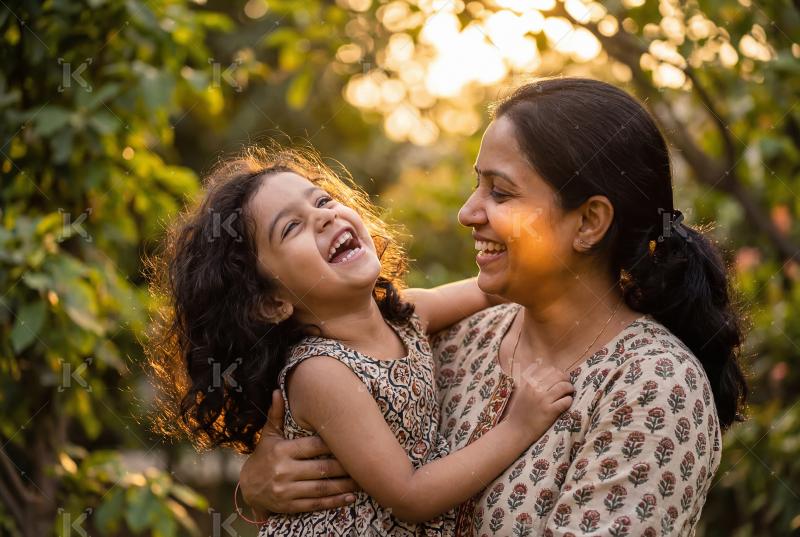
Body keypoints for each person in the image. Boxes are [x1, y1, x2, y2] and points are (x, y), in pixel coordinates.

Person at [239, 78, 748, 536]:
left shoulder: (652, 384)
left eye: (500, 193)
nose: (466, 212)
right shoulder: (459, 340)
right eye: (476, 183)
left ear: (589, 222)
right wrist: (256, 486)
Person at [146, 145, 575, 535]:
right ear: (271, 303)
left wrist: (566, 247)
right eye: (292, 227)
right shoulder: (322, 374)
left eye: (322, 200)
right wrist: (519, 426)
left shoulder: (406, 315)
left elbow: (492, 286)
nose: (323, 216)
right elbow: (410, 497)